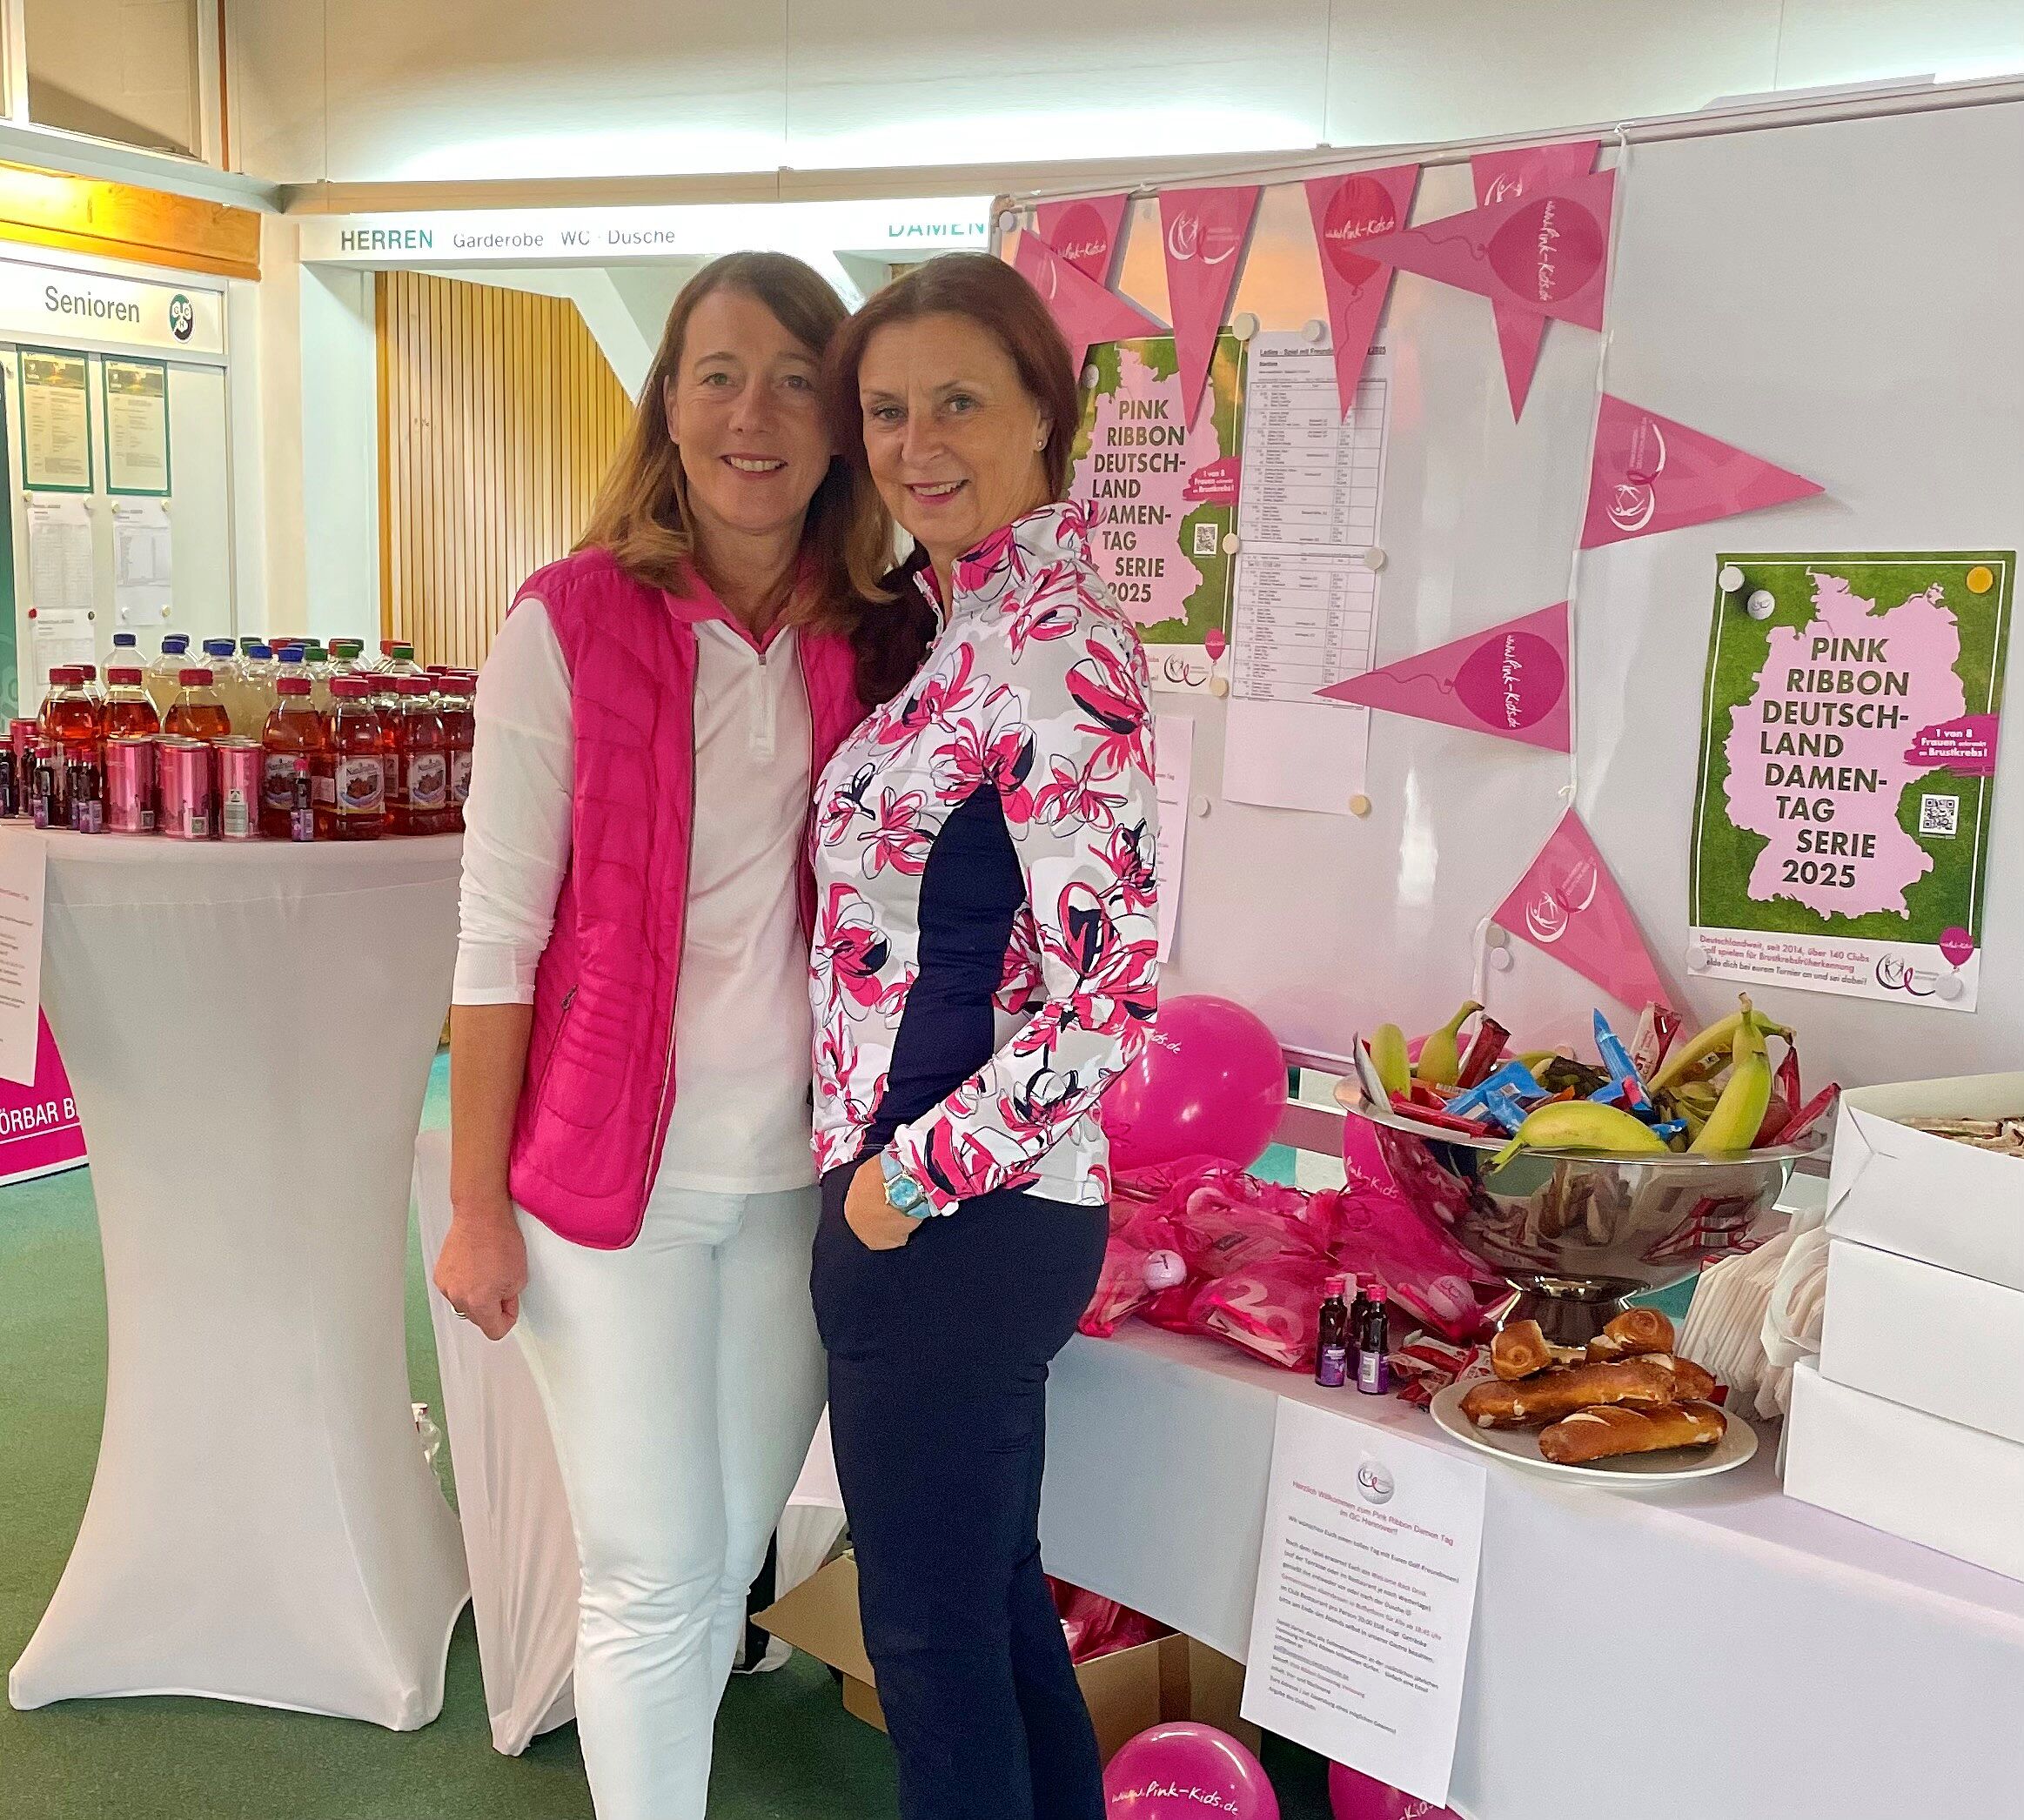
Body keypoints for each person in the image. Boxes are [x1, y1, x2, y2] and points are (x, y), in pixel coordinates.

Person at [432, 251, 924, 1820]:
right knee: (650, 1569)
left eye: (792, 379)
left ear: (839, 422)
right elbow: (497, 937)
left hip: (799, 1183)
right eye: (718, 374)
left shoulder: (881, 637)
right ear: (667, 403)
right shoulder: (569, 623)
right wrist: (472, 1206)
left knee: (719, 1559)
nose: (751, 415)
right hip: (607, 1193)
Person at [810, 252, 1161, 1820]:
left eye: (956, 400)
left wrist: (901, 1189)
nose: (916, 442)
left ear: (1041, 413)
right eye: (887, 410)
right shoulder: (965, 626)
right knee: (994, 1619)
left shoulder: (1054, 648)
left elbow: (1113, 990)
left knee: (930, 1647)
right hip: (929, 1206)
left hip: (958, 1216)